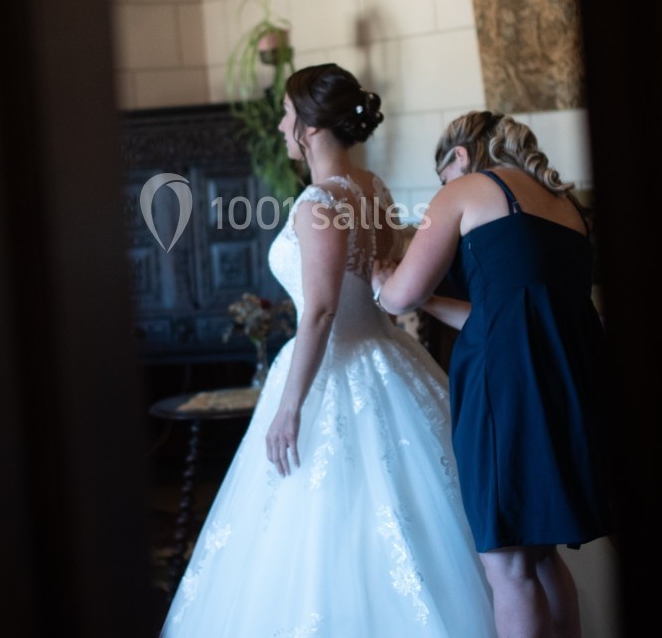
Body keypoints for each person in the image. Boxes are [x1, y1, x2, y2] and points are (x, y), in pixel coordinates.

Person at [159, 67, 498, 638]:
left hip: (330, 367)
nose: (282, 124)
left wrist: (290, 408)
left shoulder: (317, 202)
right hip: (388, 358)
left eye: (288, 114)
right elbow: (387, 296)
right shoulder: (373, 188)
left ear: (310, 127)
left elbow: (318, 312)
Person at [371, 110, 613, 638]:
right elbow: (505, 311)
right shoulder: (566, 208)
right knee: (542, 554)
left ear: (459, 157)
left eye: (442, 179)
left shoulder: (469, 189)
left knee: (505, 565)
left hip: (505, 388)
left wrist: (379, 280)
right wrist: (435, 300)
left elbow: (400, 296)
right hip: (565, 381)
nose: (444, 190)